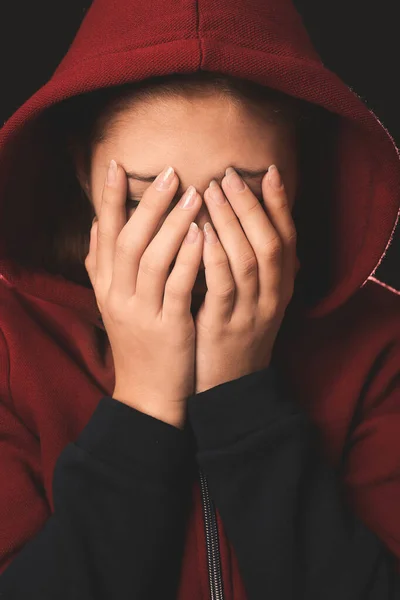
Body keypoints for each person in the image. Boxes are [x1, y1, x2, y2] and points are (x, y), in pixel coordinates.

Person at [0, 0, 399, 598]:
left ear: (301, 177)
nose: (193, 254)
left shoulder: (382, 348)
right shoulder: (8, 346)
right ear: (84, 173)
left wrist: (242, 395)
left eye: (238, 204)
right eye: (146, 204)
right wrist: (142, 402)